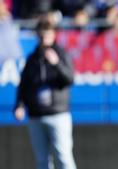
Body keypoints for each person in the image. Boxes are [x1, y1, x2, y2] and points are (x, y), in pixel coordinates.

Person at [13, 18, 77, 169]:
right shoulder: (32, 59)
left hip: (57, 114)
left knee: (63, 157)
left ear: (54, 35)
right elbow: (24, 85)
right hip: (36, 115)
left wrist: (56, 64)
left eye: (47, 36)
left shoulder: (61, 55)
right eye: (41, 36)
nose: (44, 40)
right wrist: (20, 105)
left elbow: (69, 79)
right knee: (42, 161)